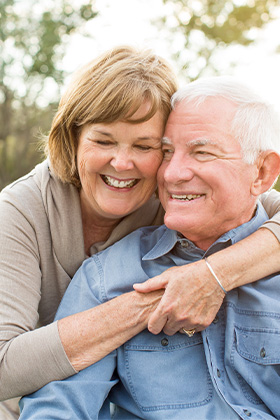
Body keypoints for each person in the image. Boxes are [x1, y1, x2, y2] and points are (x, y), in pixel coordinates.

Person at [1, 45, 280, 419]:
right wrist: (161, 297)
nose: (123, 162)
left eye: (148, 146)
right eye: (103, 140)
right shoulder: (24, 214)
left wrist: (213, 275)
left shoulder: (174, 196)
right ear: (73, 138)